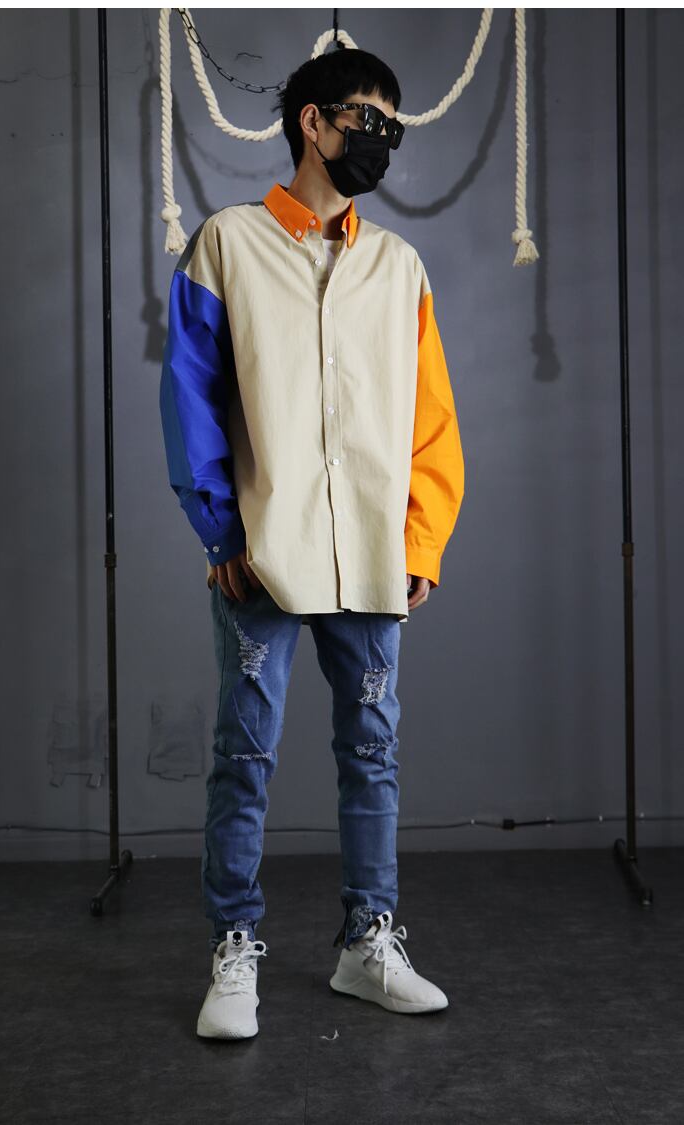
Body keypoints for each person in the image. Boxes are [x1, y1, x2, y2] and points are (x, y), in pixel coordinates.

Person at [159, 47, 465, 1040]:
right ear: (314, 123)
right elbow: (191, 397)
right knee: (244, 753)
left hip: (372, 554)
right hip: (263, 551)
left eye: (391, 126)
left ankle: (367, 943)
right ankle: (233, 947)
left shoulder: (399, 269)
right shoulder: (227, 245)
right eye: (367, 119)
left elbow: (433, 421)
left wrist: (420, 541)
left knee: (373, 753)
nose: (381, 140)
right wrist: (218, 526)